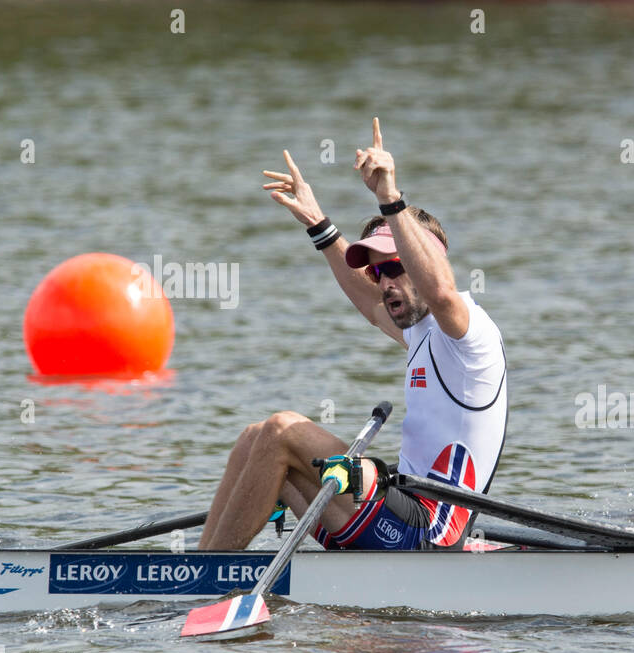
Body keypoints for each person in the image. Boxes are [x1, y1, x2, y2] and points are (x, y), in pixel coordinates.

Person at [198, 118, 507, 551]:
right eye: (378, 271)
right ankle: (200, 567)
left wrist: (389, 197)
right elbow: (366, 299)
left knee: (281, 429)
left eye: (394, 267)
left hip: (431, 531)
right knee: (256, 438)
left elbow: (438, 289)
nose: (383, 283)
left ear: (424, 263)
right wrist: (318, 224)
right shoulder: (420, 333)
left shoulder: (469, 335)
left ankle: (208, 577)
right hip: (397, 511)